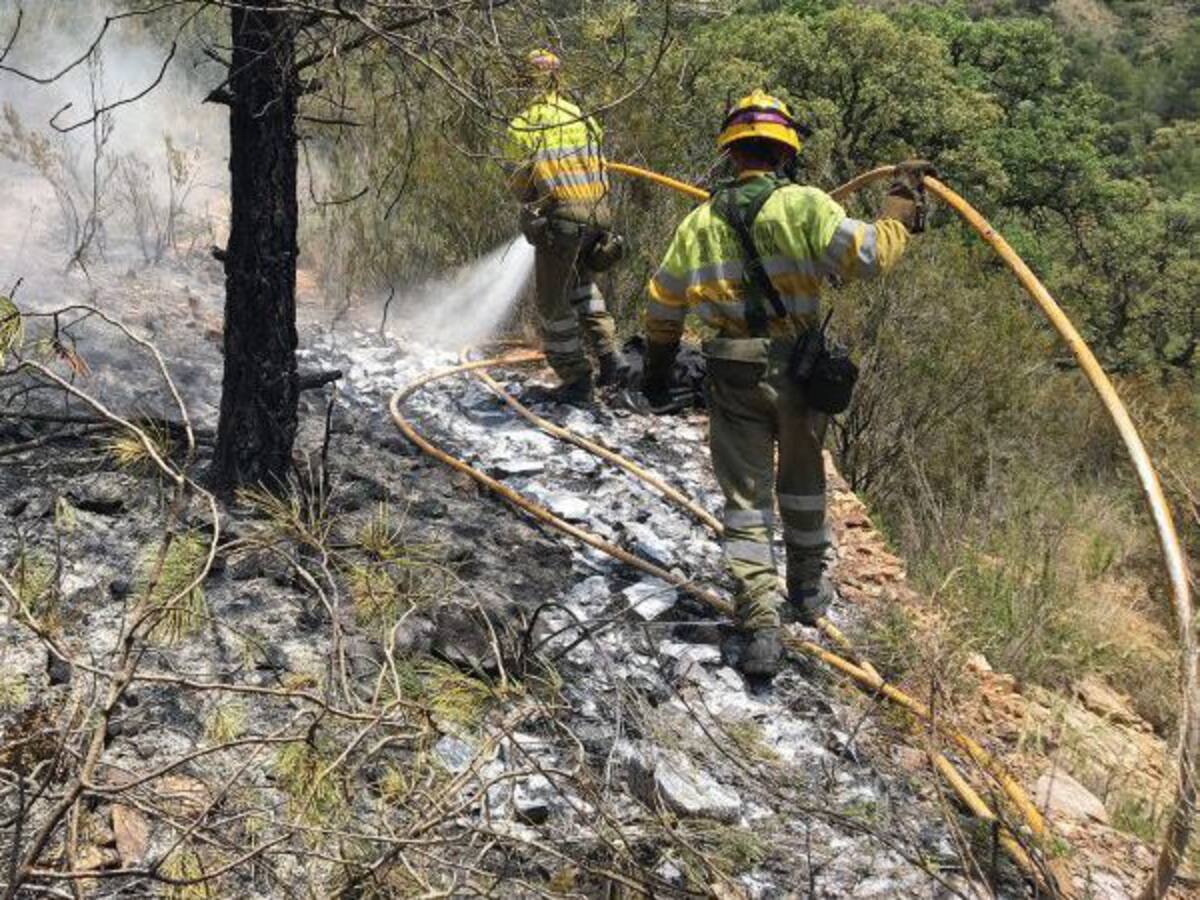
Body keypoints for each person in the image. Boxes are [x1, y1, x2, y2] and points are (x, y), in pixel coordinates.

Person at [641, 89, 934, 679]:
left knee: (745, 503)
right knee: (802, 482)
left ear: (730, 155)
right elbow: (871, 254)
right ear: (785, 152)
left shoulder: (697, 223)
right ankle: (805, 588)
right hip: (798, 374)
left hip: (730, 373)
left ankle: (759, 626)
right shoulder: (806, 205)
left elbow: (662, 306)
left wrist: (656, 371)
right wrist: (901, 206)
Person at [504, 48, 628, 404]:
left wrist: (535, 214)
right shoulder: (581, 116)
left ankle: (576, 379)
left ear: (523, 82)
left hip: (563, 220)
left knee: (553, 304)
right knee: (583, 287)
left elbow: (521, 185)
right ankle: (610, 358)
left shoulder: (524, 124)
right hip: (598, 215)